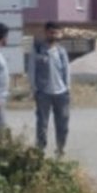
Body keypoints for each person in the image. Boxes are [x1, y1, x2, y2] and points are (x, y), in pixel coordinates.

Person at [28, 21, 72, 156]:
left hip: (61, 93)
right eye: (51, 32)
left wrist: (67, 88)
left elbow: (66, 70)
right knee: (42, 124)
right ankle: (40, 150)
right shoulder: (38, 49)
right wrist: (34, 89)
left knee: (63, 124)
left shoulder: (61, 51)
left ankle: (60, 148)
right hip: (43, 93)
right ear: (46, 32)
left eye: (56, 32)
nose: (54, 35)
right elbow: (32, 70)